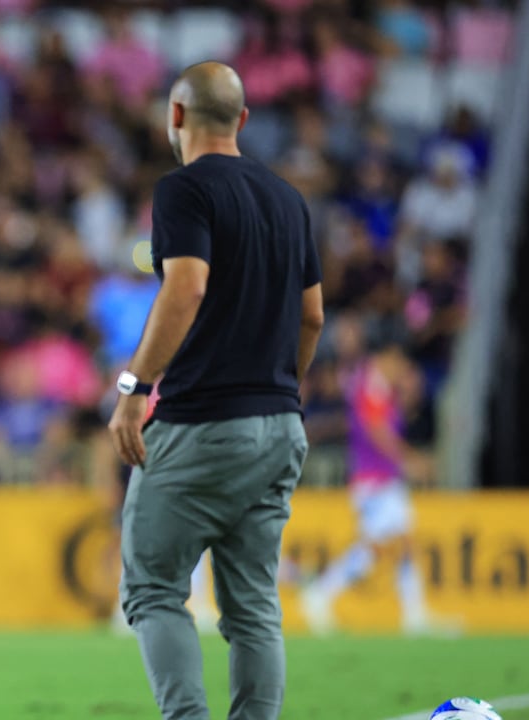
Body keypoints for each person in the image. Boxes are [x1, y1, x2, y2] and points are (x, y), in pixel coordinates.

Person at [107, 62, 324, 720]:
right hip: (279, 425)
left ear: (175, 117)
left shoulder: (183, 191)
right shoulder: (290, 200)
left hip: (200, 426)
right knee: (254, 609)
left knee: (152, 590)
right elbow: (312, 316)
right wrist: (280, 390)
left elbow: (187, 287)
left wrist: (132, 388)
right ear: (243, 121)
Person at [300, 337, 433, 635]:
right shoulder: (370, 385)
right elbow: (377, 431)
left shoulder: (382, 389)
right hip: (373, 482)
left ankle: (415, 614)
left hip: (385, 479)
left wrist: (409, 395)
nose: (400, 369)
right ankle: (320, 594)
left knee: (399, 544)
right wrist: (408, 458)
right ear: (386, 357)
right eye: (397, 362)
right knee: (374, 550)